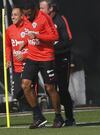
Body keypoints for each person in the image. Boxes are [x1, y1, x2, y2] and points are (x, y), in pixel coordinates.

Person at [20, 0, 64, 128]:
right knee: (25, 85)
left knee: (50, 88)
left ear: (34, 9)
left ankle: (58, 117)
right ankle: (38, 117)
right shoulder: (25, 17)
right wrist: (25, 42)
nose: (27, 17)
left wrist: (38, 36)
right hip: (32, 57)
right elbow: (28, 33)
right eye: (25, 15)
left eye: (29, 14)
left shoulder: (44, 18)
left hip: (46, 57)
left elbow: (55, 36)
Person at [39, 0, 75, 126]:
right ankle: (58, 116)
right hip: (47, 60)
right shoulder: (39, 21)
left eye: (42, 8)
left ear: (51, 9)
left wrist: (51, 47)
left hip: (62, 59)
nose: (40, 11)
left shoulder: (60, 20)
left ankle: (70, 118)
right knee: (49, 89)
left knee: (63, 89)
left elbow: (68, 40)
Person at [6, 7, 29, 112]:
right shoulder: (9, 29)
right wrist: (8, 59)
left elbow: (35, 45)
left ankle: (34, 113)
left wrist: (25, 55)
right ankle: (28, 108)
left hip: (29, 64)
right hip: (16, 66)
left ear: (22, 16)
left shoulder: (28, 27)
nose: (12, 17)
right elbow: (8, 46)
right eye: (12, 15)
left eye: (15, 15)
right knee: (17, 93)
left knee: (28, 89)